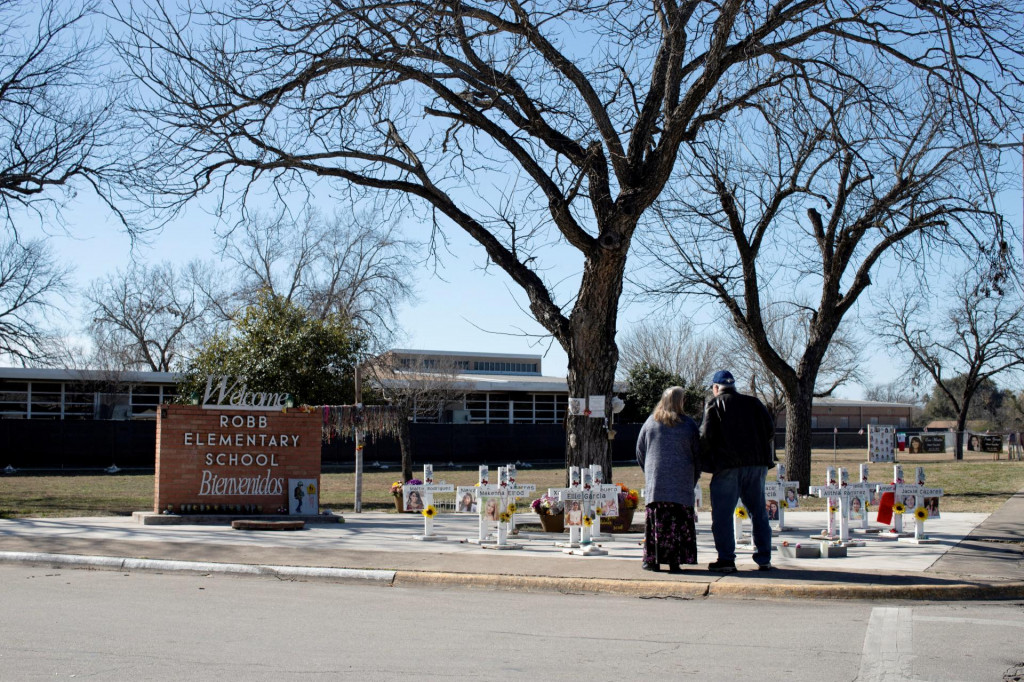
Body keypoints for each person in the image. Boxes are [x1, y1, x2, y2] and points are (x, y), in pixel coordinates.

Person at [700, 370, 776, 573]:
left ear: (716, 388)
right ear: (733, 386)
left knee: (723, 514)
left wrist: (703, 462)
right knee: (758, 512)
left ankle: (726, 559)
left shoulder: (715, 405)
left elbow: (706, 437)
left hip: (728, 466)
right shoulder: (755, 403)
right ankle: (764, 558)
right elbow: (770, 430)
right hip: (757, 465)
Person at [636, 386, 700, 574]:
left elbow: (640, 451)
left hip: (657, 484)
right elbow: (698, 454)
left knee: (656, 523)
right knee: (678, 523)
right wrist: (693, 477)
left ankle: (652, 561)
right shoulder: (688, 425)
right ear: (680, 402)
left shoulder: (650, 423)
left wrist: (649, 472)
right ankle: (675, 562)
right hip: (681, 483)